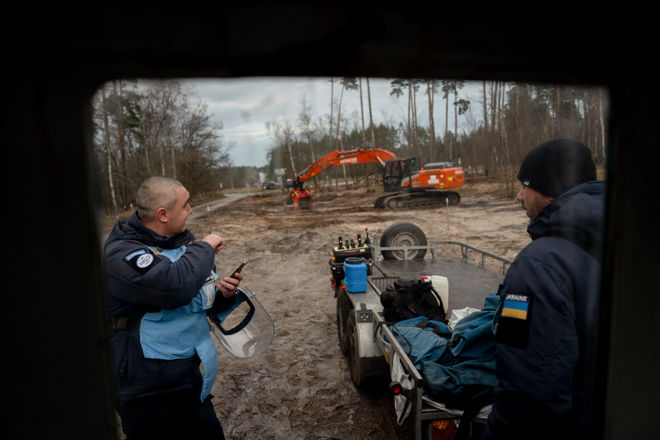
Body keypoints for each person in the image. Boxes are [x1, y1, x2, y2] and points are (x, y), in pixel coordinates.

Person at [483, 139, 605, 440]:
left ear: (550, 191)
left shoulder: (538, 266)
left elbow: (530, 392)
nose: (518, 196)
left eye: (525, 185)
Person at [103, 176, 242, 440]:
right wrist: (205, 246)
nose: (191, 210)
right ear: (163, 214)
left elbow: (193, 299)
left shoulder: (180, 248)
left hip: (186, 378)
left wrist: (223, 296)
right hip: (146, 391)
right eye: (186, 205)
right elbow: (173, 288)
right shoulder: (122, 253)